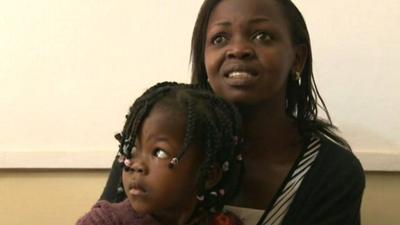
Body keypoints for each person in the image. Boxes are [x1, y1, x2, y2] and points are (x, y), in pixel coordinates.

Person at [101, 0, 365, 224]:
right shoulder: (149, 149)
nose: (238, 49)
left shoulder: (332, 172)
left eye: (263, 36)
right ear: (203, 59)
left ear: (297, 58)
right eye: (220, 38)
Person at [78, 82, 244, 225]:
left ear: (208, 174)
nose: (136, 165)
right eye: (132, 150)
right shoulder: (104, 221)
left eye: (159, 153)